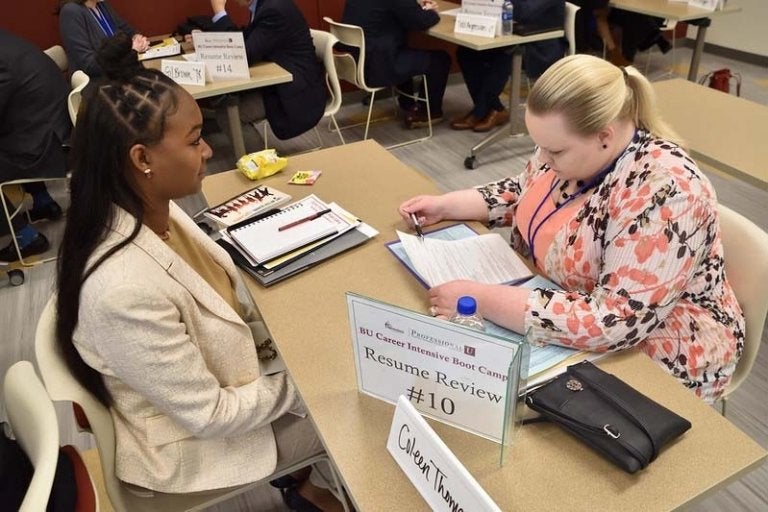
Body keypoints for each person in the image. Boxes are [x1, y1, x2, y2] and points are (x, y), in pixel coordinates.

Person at [55, 34, 342, 511]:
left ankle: (313, 485)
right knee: (361, 406)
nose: (208, 150)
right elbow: (210, 414)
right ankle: (330, 489)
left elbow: (217, 293)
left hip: (225, 386)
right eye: (194, 141)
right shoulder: (122, 289)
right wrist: (313, 377)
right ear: (142, 159)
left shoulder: (149, 209)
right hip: (195, 444)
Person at [399, 54, 743, 404]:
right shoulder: (569, 149)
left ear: (604, 137)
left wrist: (481, 300)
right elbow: (526, 189)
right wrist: (449, 204)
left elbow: (616, 321)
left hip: (664, 348)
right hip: (562, 301)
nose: (543, 160)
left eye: (554, 152)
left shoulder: (667, 193)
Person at [205, 0, 326, 141]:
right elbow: (246, 39)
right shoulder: (265, 5)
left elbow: (242, 55)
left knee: (228, 115)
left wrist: (219, 11)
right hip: (280, 82)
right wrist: (207, 40)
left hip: (297, 92)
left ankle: (259, 162)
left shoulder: (275, 9)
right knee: (225, 104)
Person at [0, 29, 70, 262]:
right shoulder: (8, 41)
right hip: (53, 133)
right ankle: (42, 203)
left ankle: (26, 237)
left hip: (47, 147)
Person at [450, 0, 566, 133]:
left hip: (539, 44)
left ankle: (480, 112)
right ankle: (494, 108)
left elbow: (523, 12)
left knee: (504, 55)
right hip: (510, 34)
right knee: (466, 52)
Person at [342, 0, 451, 129]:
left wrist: (416, 9)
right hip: (377, 67)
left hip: (352, 62)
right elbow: (421, 22)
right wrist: (432, 12)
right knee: (440, 59)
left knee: (406, 52)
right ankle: (429, 113)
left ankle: (408, 104)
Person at [57, 0, 150, 77]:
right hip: (97, 83)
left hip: (121, 72)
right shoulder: (71, 12)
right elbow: (90, 66)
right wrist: (130, 50)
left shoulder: (101, 4)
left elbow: (126, 29)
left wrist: (137, 37)